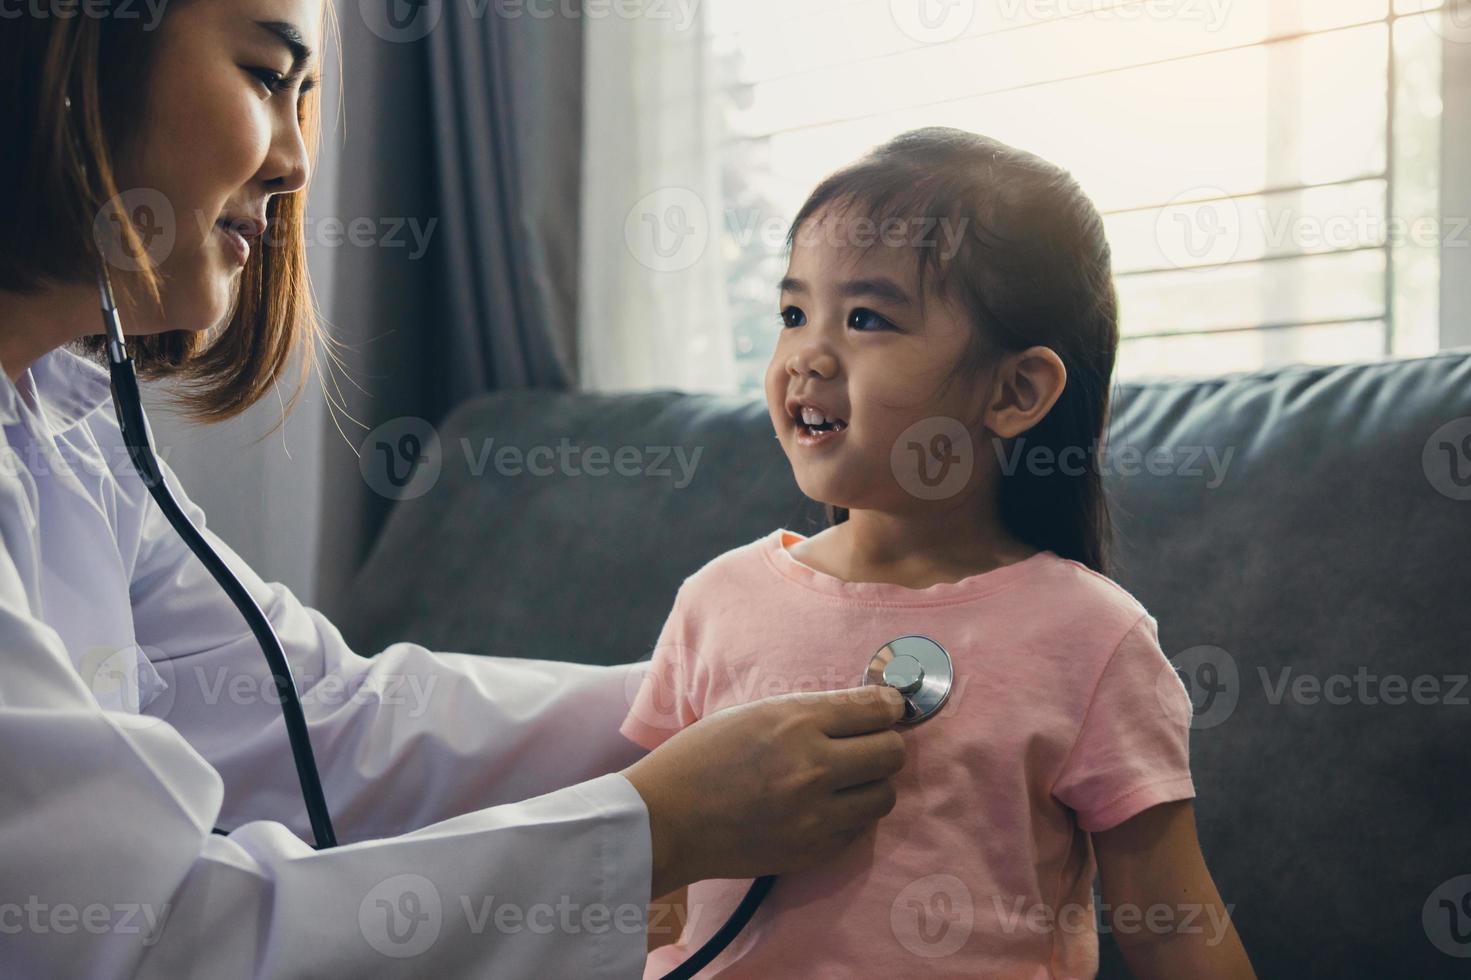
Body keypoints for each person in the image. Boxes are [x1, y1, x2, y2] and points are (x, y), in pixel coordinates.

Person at [0, 2, 909, 976]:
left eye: (305, 98)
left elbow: (324, 717)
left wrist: (721, 689)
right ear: (74, 57)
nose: (297, 164)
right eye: (266, 77)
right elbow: (154, 939)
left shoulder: (71, 429)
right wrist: (657, 826)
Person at [622, 129, 1258, 978]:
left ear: (1015, 391)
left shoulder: (1090, 638)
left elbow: (1174, 926)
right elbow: (651, 881)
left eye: (865, 318)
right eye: (792, 313)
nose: (806, 354)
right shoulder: (718, 600)